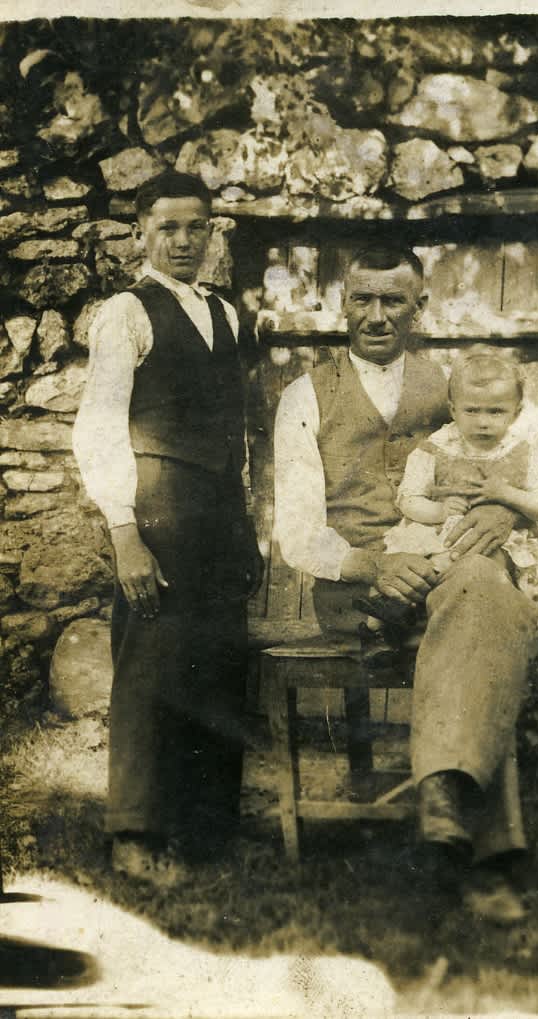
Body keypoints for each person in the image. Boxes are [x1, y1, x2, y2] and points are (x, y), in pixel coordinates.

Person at [274, 245, 538, 924]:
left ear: (420, 308)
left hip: (454, 577)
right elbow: (296, 531)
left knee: (482, 596)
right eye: (363, 299)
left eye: (393, 301)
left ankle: (444, 804)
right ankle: (486, 857)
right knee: (490, 603)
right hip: (359, 596)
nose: (377, 316)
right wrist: (370, 563)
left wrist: (504, 506)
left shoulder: (461, 388)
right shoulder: (304, 395)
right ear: (341, 302)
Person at [73, 170, 262, 882]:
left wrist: (246, 525)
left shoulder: (228, 315)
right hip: (156, 506)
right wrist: (125, 533)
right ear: (141, 235)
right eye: (169, 228)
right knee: (152, 662)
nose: (185, 241)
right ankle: (136, 833)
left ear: (213, 233)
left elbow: (237, 430)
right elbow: (98, 428)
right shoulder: (126, 312)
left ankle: (206, 827)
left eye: (198, 227)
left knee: (214, 662)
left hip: (219, 511)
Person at [355, 351, 538, 664]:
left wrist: (507, 494)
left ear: (516, 412)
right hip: (440, 533)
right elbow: (408, 498)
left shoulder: (523, 452)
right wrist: (438, 511)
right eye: (471, 410)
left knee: (482, 574)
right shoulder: (437, 447)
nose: (482, 422)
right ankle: (377, 628)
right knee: (413, 567)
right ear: (453, 408)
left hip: (492, 544)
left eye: (496, 412)